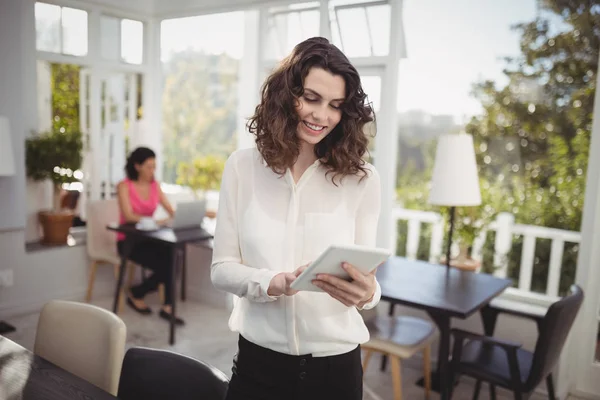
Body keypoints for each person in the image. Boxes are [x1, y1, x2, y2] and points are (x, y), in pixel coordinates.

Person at [211, 37, 382, 400]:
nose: (322, 116)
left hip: (336, 370)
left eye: (336, 106)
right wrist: (272, 282)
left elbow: (366, 280)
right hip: (258, 365)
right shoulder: (242, 167)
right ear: (285, 95)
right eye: (311, 98)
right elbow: (221, 268)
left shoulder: (362, 179)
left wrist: (369, 294)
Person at [116, 146, 184, 325]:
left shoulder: (155, 186)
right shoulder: (124, 186)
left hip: (150, 238)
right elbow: (129, 215)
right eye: (149, 166)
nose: (152, 171)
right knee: (168, 263)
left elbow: (171, 210)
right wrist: (157, 222)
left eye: (154, 166)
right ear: (137, 166)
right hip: (128, 241)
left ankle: (166, 306)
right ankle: (137, 293)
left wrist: (205, 213)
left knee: (173, 255)